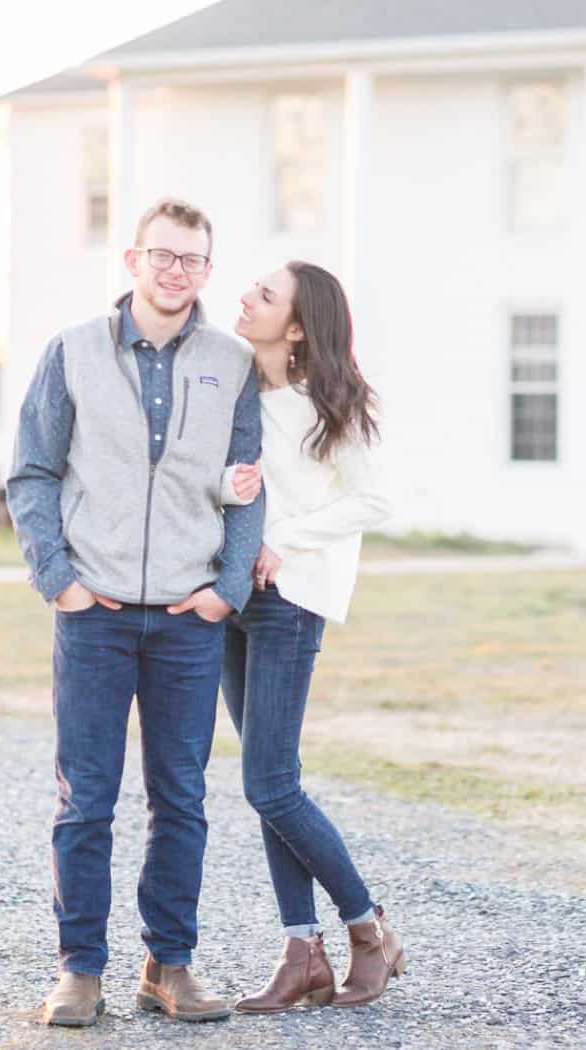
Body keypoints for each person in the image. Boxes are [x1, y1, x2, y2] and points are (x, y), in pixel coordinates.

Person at [6, 198, 263, 1027]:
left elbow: (249, 480)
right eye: (163, 254)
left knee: (181, 799)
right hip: (94, 615)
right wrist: (59, 580)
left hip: (190, 620)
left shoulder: (232, 361)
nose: (175, 270)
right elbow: (33, 473)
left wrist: (229, 589)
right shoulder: (73, 352)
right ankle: (79, 970)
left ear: (207, 270)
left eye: (192, 258)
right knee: (86, 799)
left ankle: (170, 965)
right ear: (133, 260)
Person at [217, 261, 402, 1012]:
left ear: (296, 326)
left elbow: (376, 499)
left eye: (264, 295)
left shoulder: (330, 404)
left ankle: (368, 930)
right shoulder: (236, 389)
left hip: (291, 600)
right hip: (233, 598)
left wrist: (284, 539)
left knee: (269, 782)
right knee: (270, 785)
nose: (245, 297)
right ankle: (303, 952)